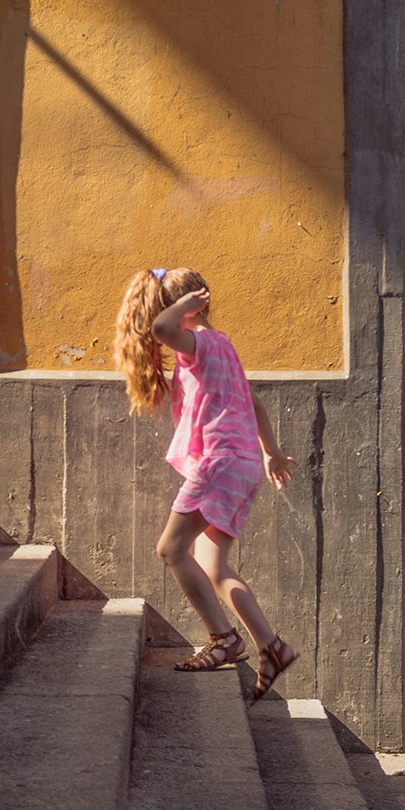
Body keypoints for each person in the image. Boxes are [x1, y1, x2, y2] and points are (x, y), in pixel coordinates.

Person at [116, 266, 300, 696]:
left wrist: (182, 307)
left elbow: (162, 327)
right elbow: (251, 401)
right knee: (212, 565)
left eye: (169, 306)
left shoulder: (197, 343)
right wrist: (270, 452)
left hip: (219, 464)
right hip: (242, 465)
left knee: (170, 548)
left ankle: (224, 639)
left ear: (185, 308)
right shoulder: (222, 346)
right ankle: (271, 648)